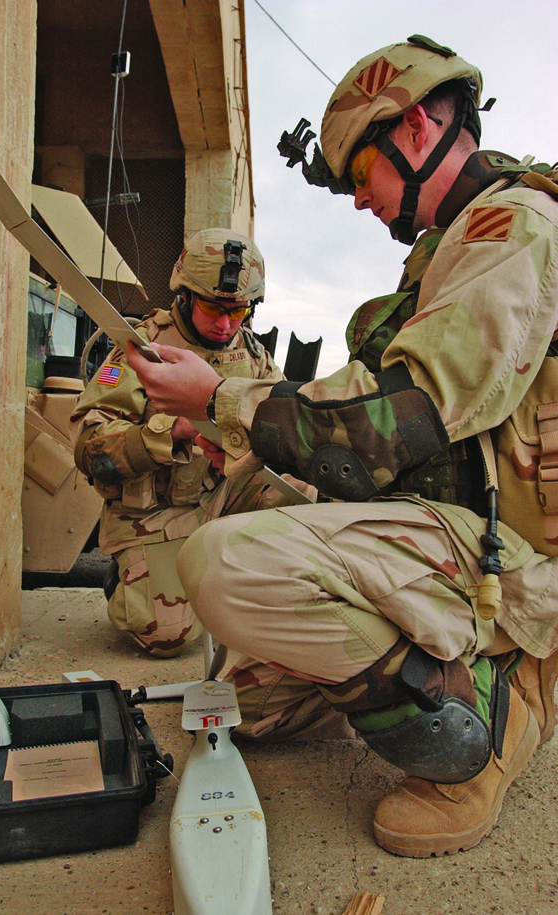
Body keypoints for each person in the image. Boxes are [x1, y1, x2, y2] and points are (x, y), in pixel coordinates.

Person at [126, 35, 558, 857]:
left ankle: (496, 707)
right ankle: (445, 651)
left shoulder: (514, 227)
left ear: (422, 130)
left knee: (224, 566)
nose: (361, 200)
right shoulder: (449, 253)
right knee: (247, 705)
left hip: (513, 563)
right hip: (448, 529)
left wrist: (218, 397)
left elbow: (386, 428)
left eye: (364, 173)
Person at [70, 228, 311, 658]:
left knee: (312, 496)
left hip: (224, 493)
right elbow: (89, 449)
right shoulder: (142, 348)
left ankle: (239, 580)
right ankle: (129, 576)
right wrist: (172, 429)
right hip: (161, 509)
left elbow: (282, 427)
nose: (225, 324)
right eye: (212, 308)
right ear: (183, 295)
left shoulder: (252, 354)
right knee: (168, 638)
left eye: (238, 312)